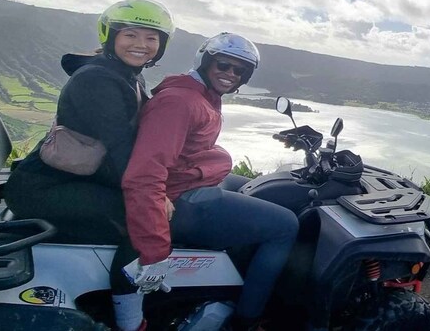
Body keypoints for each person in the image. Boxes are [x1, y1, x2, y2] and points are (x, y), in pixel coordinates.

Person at [5, 0, 175, 331]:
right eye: (130, 34)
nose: (141, 44)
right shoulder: (99, 80)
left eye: (151, 38)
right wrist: (153, 198)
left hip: (73, 179)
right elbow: (122, 150)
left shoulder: (127, 75)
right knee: (138, 218)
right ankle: (130, 320)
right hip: (43, 188)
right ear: (110, 36)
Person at [121, 33, 298, 331]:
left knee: (259, 190)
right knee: (286, 225)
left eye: (239, 70)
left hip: (192, 179)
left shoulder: (202, 94)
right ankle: (247, 320)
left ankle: (236, 280)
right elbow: (145, 173)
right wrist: (154, 246)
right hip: (179, 198)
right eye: (223, 65)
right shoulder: (180, 102)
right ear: (205, 62)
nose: (230, 74)